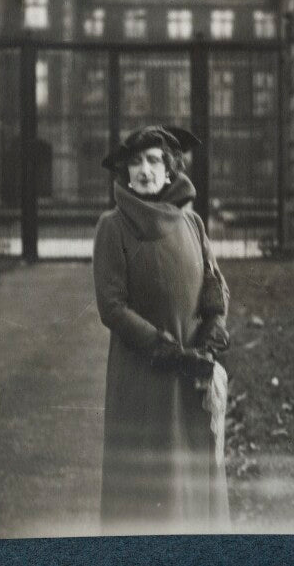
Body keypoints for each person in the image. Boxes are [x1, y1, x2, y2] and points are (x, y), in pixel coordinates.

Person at [92, 125, 231, 534]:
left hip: (192, 372)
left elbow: (213, 282)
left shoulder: (192, 223)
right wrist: (165, 350)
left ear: (170, 169)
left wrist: (214, 324)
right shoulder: (113, 226)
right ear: (126, 173)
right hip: (143, 374)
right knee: (148, 488)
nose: (144, 170)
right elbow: (112, 307)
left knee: (192, 480)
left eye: (154, 160)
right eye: (135, 162)